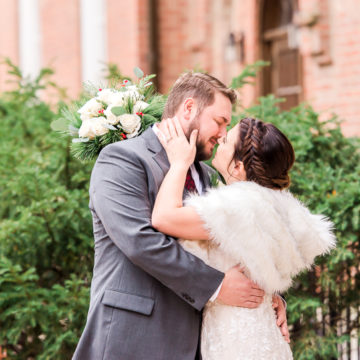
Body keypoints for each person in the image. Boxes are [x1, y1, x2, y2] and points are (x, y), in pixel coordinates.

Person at [72, 73, 288, 360]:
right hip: (133, 335)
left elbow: (229, 247)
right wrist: (217, 285)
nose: (224, 133)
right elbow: (140, 241)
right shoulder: (122, 159)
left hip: (194, 342)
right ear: (188, 108)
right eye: (220, 121)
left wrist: (266, 297)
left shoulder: (209, 176)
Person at [152, 116, 336, 359]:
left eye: (226, 139)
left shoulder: (237, 205)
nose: (220, 137)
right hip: (259, 326)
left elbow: (163, 218)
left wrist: (179, 163)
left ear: (238, 165)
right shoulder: (272, 203)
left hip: (236, 337)